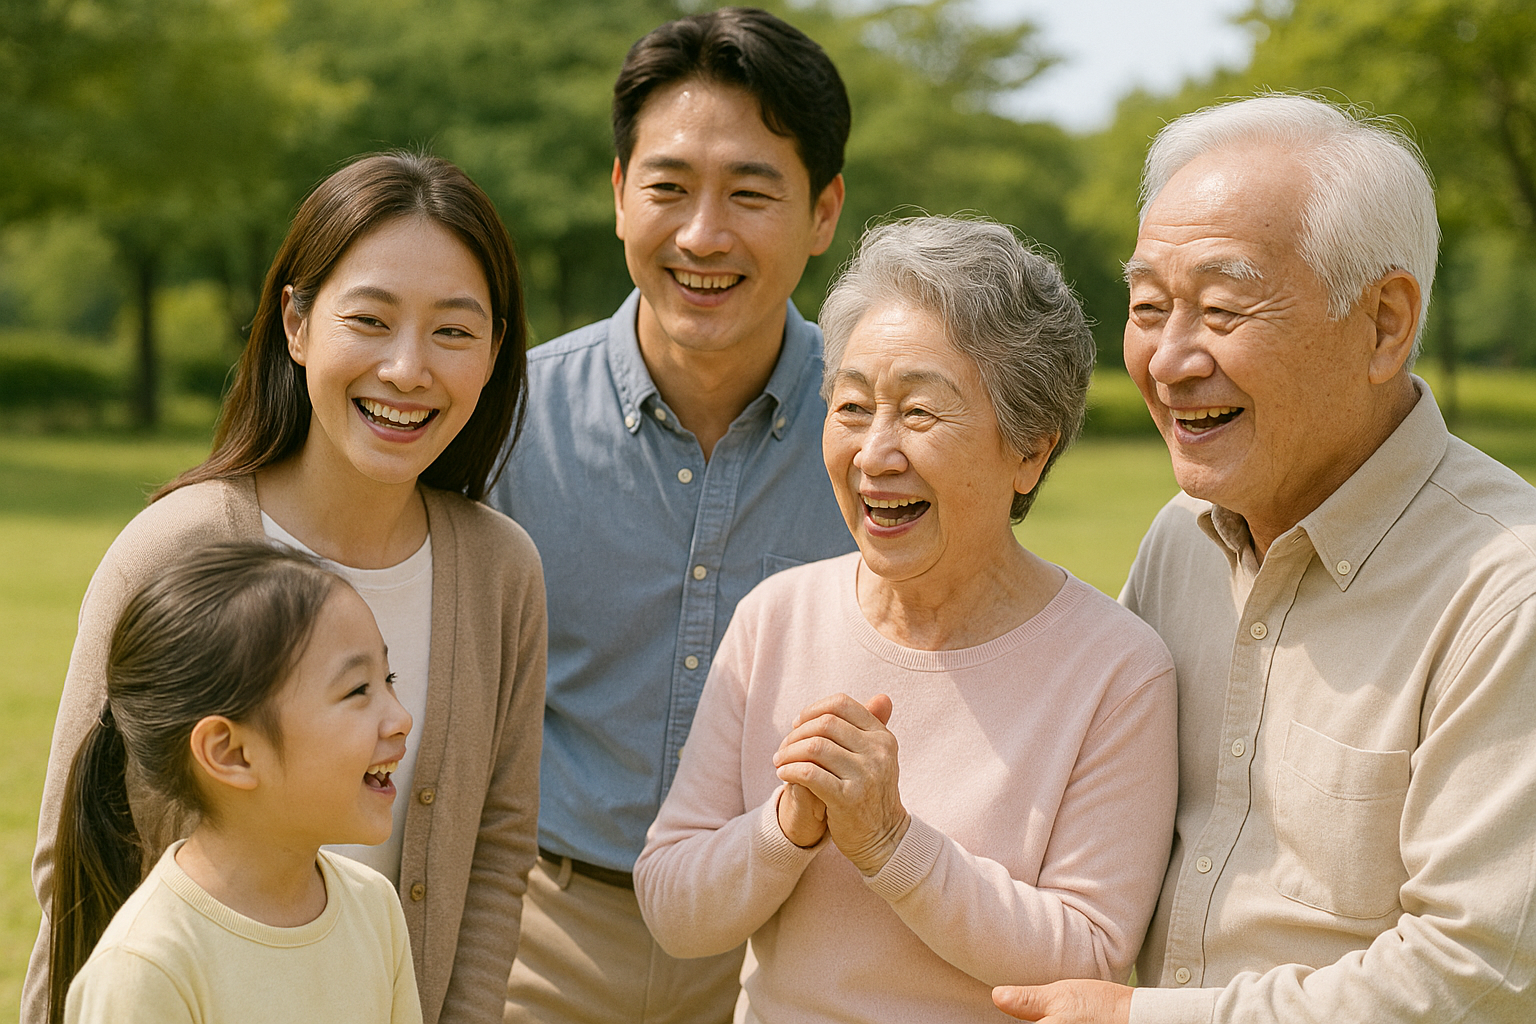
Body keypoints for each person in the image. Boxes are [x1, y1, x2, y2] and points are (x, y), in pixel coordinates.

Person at [993, 95, 1536, 1023]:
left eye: (1221, 308)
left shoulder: (1504, 592)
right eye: (1149, 306)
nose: (1167, 361)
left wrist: (1136, 1019)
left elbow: (1479, 975)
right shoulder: (1182, 537)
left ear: (1383, 324)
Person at [26, 151, 547, 1024]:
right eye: (371, 320)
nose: (409, 370)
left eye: (455, 331)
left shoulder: (501, 570)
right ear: (297, 324)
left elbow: (496, 853)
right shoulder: (180, 546)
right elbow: (77, 860)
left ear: (495, 351)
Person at [633, 216, 1179, 1023]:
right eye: (852, 406)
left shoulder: (1117, 668)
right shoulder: (776, 619)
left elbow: (1089, 953)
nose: (874, 453)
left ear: (1030, 448)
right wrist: (785, 827)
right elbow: (673, 908)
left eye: (920, 413)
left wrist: (890, 841)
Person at [489, 8, 855, 1021]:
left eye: (750, 193)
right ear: (618, 195)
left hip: (791, 935)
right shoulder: (502, 420)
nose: (703, 235)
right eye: (668, 188)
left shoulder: (881, 435)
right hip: (540, 931)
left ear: (823, 212)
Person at [53, 543, 420, 1024]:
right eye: (357, 690)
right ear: (230, 752)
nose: (401, 718)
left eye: (388, 677)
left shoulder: (374, 907)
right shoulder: (146, 970)